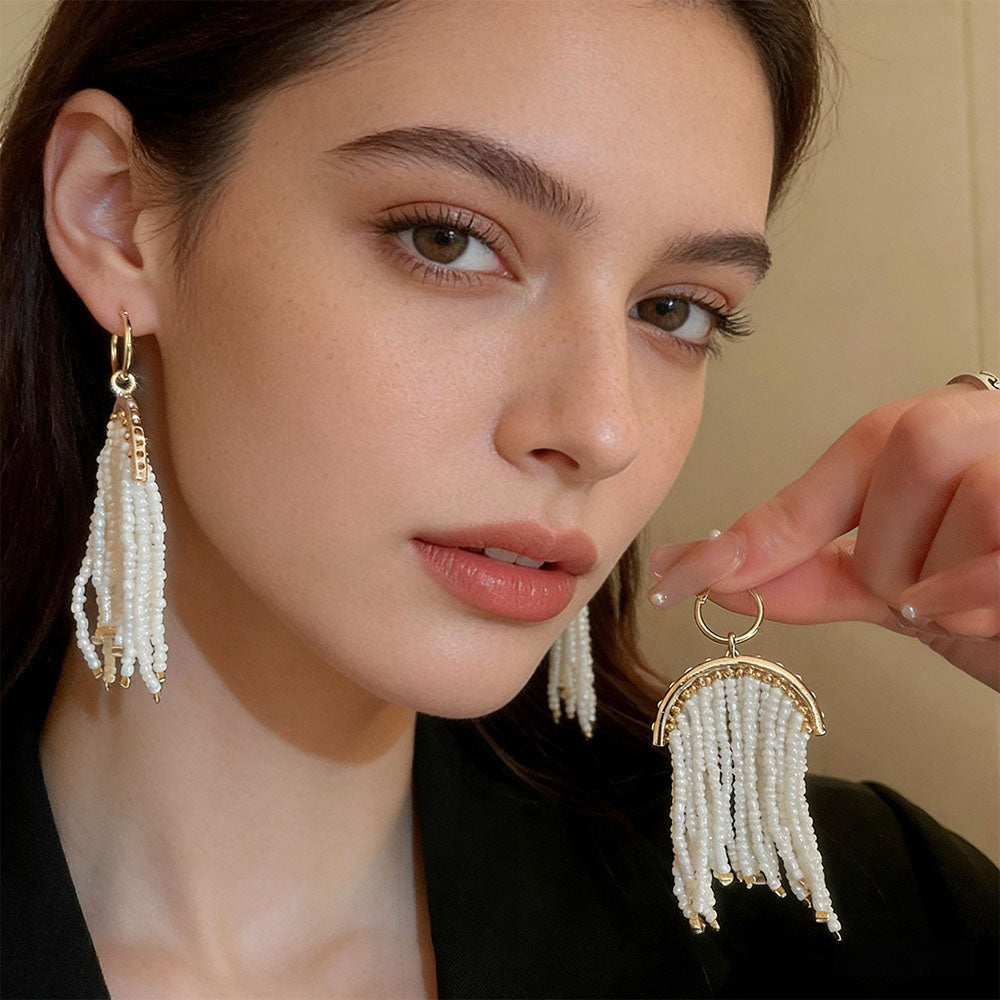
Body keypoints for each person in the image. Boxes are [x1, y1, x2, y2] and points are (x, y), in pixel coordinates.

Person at [1, 1, 997, 997]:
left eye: (673, 309)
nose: (603, 430)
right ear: (116, 216)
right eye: (448, 241)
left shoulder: (867, 924)